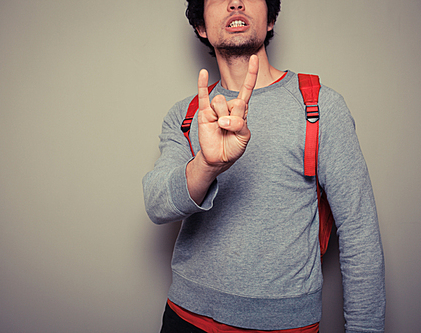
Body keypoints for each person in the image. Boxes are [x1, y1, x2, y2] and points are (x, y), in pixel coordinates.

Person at [142, 0, 385, 332]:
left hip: (284, 325)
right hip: (185, 317)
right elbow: (157, 203)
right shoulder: (187, 115)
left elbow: (360, 233)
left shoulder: (320, 106)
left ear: (270, 19)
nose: (236, 2)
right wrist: (208, 163)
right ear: (201, 27)